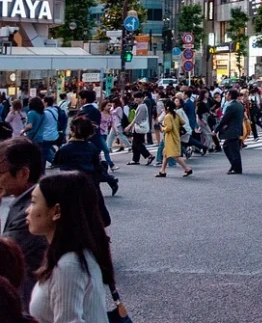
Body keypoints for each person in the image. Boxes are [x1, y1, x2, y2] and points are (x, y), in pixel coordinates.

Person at [26, 171, 116, 323]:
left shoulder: (68, 265)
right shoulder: (72, 255)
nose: (27, 210)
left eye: (34, 202)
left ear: (56, 211)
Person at [0, 137, 47, 311]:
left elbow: (5, 257)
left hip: (30, 304)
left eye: (0, 173)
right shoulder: (29, 201)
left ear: (23, 174)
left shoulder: (31, 211)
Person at [156, 101, 192, 178]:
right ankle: (162, 171)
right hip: (176, 136)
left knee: (175, 155)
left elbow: (169, 128)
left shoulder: (168, 116)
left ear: (167, 107)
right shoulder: (176, 114)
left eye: (164, 106)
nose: (163, 108)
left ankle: (187, 168)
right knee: (165, 153)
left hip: (170, 138)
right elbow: (183, 122)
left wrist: (162, 128)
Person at [217, 89, 246, 175]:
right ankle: (235, 167)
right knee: (228, 147)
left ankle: (236, 167)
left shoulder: (231, 106)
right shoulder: (239, 105)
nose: (226, 96)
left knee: (233, 150)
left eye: (227, 94)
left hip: (232, 130)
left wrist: (216, 130)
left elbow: (224, 120)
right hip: (237, 129)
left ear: (230, 96)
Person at [124, 96, 153, 166]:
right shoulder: (140, 106)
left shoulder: (142, 106)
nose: (136, 99)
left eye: (138, 97)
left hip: (139, 127)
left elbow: (137, 118)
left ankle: (149, 155)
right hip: (138, 127)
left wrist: (129, 126)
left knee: (137, 143)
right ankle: (135, 159)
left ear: (142, 98)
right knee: (135, 144)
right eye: (135, 98)